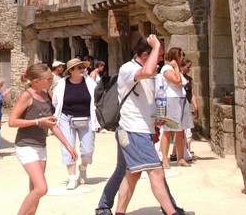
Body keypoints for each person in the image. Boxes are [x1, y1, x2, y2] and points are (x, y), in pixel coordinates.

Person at [95, 35, 193, 215]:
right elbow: (146, 73)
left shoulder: (151, 74)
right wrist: (156, 45)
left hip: (141, 130)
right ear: (147, 54)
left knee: (130, 174)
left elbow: (147, 99)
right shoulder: (128, 68)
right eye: (159, 55)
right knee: (156, 172)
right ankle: (171, 212)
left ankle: (112, 210)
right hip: (133, 130)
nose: (161, 59)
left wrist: (156, 118)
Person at [9, 63, 77, 215]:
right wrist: (38, 122)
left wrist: (68, 145)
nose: (51, 81)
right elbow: (12, 122)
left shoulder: (46, 95)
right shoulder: (26, 95)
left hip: (41, 146)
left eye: (51, 78)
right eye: (48, 79)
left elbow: (52, 124)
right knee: (41, 188)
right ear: (35, 81)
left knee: (35, 191)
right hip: (26, 146)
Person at [52, 57, 98, 190]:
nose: (83, 70)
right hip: (67, 118)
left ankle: (83, 167)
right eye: (79, 68)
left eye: (83, 67)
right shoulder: (62, 84)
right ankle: (72, 177)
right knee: (68, 147)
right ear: (71, 70)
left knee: (88, 149)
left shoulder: (90, 83)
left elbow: (97, 99)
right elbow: (55, 102)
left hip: (87, 118)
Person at [158, 47, 189, 169]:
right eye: (181, 56)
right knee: (168, 130)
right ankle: (165, 159)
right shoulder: (167, 68)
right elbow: (177, 81)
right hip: (171, 100)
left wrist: (178, 69)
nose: (182, 58)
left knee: (180, 132)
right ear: (176, 57)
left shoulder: (177, 69)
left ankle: (180, 158)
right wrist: (176, 68)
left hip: (180, 99)